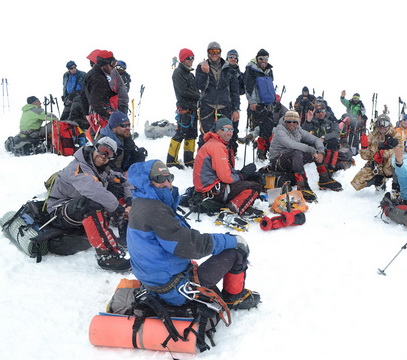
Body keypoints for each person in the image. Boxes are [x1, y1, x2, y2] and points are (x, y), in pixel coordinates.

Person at [127, 159, 260, 309]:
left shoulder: (140, 203)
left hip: (154, 283)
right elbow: (191, 246)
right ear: (147, 182)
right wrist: (231, 241)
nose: (167, 184)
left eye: (169, 178)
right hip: (174, 289)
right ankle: (235, 298)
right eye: (159, 179)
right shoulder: (156, 210)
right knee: (236, 251)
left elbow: (175, 239)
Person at [46, 136, 132, 271]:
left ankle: (126, 232)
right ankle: (107, 257)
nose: (103, 156)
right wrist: (119, 209)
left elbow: (124, 181)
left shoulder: (103, 169)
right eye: (102, 150)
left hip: (75, 210)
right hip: (58, 212)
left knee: (116, 187)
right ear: (94, 148)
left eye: (109, 154)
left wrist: (129, 201)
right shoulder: (77, 167)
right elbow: (93, 191)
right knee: (92, 203)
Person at [193, 117, 263, 216]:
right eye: (225, 129)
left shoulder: (213, 143)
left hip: (207, 188)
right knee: (255, 186)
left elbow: (223, 170)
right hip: (212, 191)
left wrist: (239, 173)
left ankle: (238, 203)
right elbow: (226, 177)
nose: (229, 133)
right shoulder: (217, 147)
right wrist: (241, 176)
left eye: (231, 130)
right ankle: (234, 207)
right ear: (217, 130)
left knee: (248, 180)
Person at [268, 110, 343, 202]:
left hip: (291, 158)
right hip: (277, 161)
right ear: (285, 121)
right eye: (289, 121)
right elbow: (291, 144)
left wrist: (320, 151)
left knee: (308, 148)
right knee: (299, 151)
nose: (292, 124)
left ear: (297, 122)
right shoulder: (280, 130)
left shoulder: (298, 129)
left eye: (294, 122)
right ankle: (302, 185)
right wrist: (312, 150)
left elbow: (315, 139)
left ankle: (324, 178)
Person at [195, 42, 240, 152]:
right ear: (208, 52)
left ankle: (224, 162)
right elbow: (200, 86)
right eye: (211, 51)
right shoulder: (201, 66)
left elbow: (235, 91)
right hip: (207, 106)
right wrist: (205, 73)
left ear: (220, 52)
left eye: (217, 51)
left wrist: (236, 109)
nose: (214, 53)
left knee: (225, 136)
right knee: (206, 136)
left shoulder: (229, 68)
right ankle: (203, 161)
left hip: (225, 107)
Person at [350, 114, 401, 192]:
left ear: (389, 125)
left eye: (385, 124)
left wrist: (383, 153)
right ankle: (379, 180)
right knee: (356, 183)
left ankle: (396, 187)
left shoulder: (395, 134)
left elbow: (401, 151)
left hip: (389, 164)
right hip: (376, 163)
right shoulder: (372, 135)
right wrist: (364, 148)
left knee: (395, 164)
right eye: (380, 124)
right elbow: (365, 157)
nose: (382, 127)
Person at [168, 48, 200, 169]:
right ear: (182, 59)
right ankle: (171, 160)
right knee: (181, 133)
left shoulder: (190, 74)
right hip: (185, 108)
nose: (191, 60)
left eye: (192, 58)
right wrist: (199, 96)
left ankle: (189, 160)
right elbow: (183, 91)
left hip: (192, 108)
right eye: (188, 58)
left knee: (192, 134)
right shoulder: (178, 73)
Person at [244, 49, 276, 161]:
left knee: (268, 128)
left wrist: (272, 102)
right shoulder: (251, 69)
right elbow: (248, 87)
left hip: (268, 104)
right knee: (260, 128)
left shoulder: (269, 70)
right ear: (257, 59)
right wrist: (252, 101)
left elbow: (270, 86)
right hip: (257, 104)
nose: (263, 61)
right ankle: (260, 154)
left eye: (266, 58)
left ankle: (267, 153)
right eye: (261, 58)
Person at [83, 50, 118, 135]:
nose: (113, 67)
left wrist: (87, 114)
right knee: (109, 141)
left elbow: (83, 96)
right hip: (100, 117)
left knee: (100, 141)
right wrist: (108, 116)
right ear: (104, 64)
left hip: (94, 115)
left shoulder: (90, 74)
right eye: (112, 64)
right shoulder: (99, 78)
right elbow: (95, 101)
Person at [301, 102, 342, 171]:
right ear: (315, 112)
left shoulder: (331, 119)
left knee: (334, 142)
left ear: (325, 111)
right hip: (316, 142)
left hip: (327, 141)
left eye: (322, 111)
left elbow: (336, 132)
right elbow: (303, 131)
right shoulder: (312, 119)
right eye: (318, 111)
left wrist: (324, 137)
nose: (320, 113)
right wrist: (308, 121)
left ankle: (330, 166)